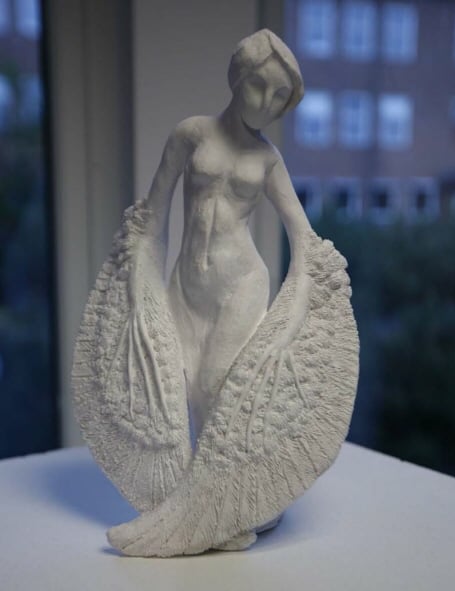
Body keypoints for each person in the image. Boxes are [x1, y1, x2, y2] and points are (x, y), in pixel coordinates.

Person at [144, 29, 311, 445]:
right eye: (258, 86)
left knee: (215, 384)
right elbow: (153, 216)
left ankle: (220, 475)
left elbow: (303, 236)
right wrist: (141, 282)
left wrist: (296, 307)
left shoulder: (268, 160)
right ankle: (199, 478)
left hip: (241, 282)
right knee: (176, 386)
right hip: (187, 284)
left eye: (279, 96)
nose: (266, 103)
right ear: (237, 79)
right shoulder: (191, 135)